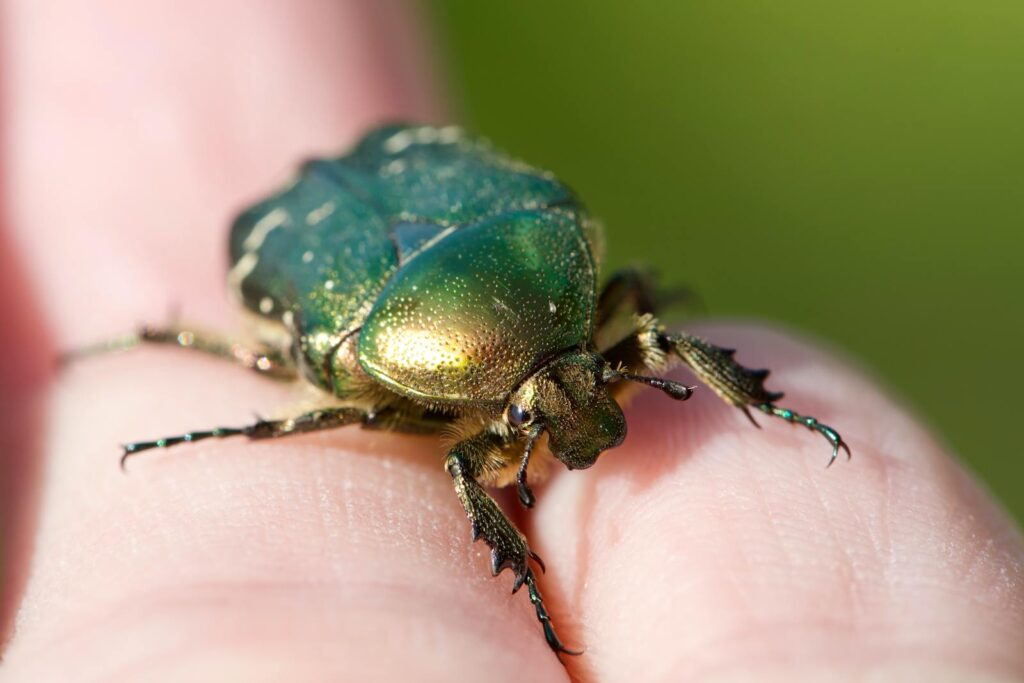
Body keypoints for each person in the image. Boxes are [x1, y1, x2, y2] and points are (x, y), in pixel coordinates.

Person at [1, 3, 1021, 680]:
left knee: (650, 327)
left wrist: (758, 396)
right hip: (354, 261)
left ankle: (761, 402)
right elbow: (469, 446)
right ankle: (167, 339)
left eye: (574, 384)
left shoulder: (579, 294)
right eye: (558, 402)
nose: (585, 411)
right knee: (299, 379)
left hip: (469, 249)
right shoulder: (415, 376)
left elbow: (642, 322)